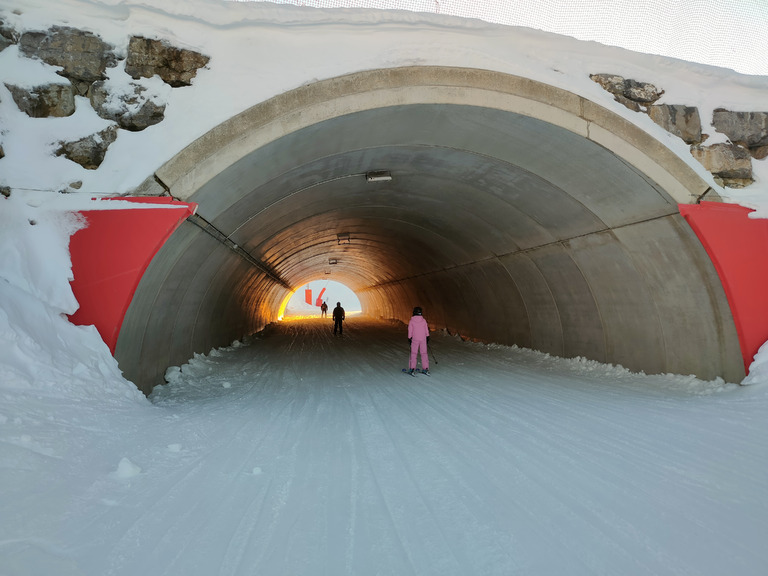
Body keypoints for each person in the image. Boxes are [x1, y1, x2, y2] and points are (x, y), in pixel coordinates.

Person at [407, 306, 430, 375]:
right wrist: (427, 336)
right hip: (423, 339)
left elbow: (410, 330)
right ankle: (425, 368)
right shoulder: (424, 320)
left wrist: (409, 338)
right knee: (424, 353)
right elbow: (426, 329)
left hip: (415, 339)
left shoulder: (412, 321)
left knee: (414, 353)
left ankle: (412, 368)